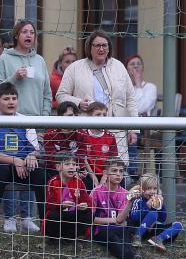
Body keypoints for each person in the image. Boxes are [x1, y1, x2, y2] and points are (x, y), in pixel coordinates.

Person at [56, 30, 136, 171]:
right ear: (89, 47)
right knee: (87, 171)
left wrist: (133, 129)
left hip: (116, 129)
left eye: (105, 45)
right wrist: (78, 103)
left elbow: (130, 98)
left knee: (117, 172)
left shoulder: (119, 67)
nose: (101, 49)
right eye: (97, 45)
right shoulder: (75, 68)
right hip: (86, 132)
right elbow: (61, 95)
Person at [0, 82, 46, 232]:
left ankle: (46, 221)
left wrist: (31, 156)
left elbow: (35, 149)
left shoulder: (25, 120)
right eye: (6, 98)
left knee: (41, 174)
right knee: (0, 170)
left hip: (22, 167)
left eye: (14, 98)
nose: (11, 102)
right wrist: (15, 160)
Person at [90, 158, 144, 259]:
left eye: (121, 171)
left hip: (119, 228)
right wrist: (113, 221)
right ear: (105, 173)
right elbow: (91, 219)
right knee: (113, 234)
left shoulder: (125, 193)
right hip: (101, 230)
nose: (118, 174)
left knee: (123, 233)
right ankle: (133, 258)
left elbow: (120, 219)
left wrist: (130, 201)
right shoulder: (96, 192)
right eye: (114, 171)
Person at [0, 20, 52, 118]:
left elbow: (47, 94)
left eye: (32, 33)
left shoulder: (40, 60)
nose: (29, 35)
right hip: (11, 119)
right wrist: (14, 78)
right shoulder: (4, 59)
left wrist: (44, 117)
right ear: (16, 36)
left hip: (37, 120)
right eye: (24, 32)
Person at [43, 154, 93, 242]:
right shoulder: (53, 182)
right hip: (59, 214)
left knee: (88, 214)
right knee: (53, 215)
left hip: (73, 214)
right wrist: (61, 205)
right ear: (58, 167)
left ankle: (71, 237)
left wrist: (85, 205)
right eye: (67, 164)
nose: (71, 167)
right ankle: (54, 238)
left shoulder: (79, 182)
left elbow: (87, 201)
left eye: (73, 164)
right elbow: (49, 204)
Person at [127, 173, 182, 251]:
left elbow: (162, 219)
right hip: (139, 227)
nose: (152, 191)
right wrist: (146, 207)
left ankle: (158, 239)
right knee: (153, 214)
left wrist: (161, 206)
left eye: (155, 188)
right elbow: (134, 217)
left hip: (153, 228)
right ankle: (137, 236)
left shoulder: (157, 200)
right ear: (141, 189)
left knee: (178, 225)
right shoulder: (138, 200)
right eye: (148, 188)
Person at [124, 54, 158, 178]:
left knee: (132, 131)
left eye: (139, 64)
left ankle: (132, 173)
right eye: (132, 64)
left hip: (144, 126)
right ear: (126, 69)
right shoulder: (124, 88)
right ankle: (122, 171)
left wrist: (138, 85)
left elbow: (141, 107)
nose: (136, 67)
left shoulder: (150, 87)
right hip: (125, 125)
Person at [75, 101, 121, 190]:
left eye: (104, 115)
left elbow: (112, 159)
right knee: (86, 183)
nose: (102, 117)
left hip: (106, 173)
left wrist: (105, 175)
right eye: (98, 114)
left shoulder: (110, 136)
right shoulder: (83, 134)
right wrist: (93, 177)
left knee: (117, 181)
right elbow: (82, 158)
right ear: (89, 116)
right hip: (88, 173)